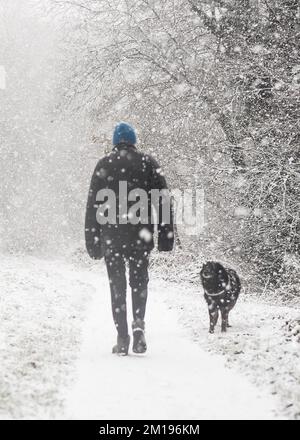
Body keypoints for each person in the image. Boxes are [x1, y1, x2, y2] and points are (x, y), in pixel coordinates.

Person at [85, 123, 174, 356]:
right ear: (133, 141)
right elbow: (163, 201)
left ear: (115, 142)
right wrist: (166, 235)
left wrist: (92, 240)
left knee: (117, 287)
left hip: (112, 237)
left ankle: (122, 337)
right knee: (139, 283)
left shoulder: (104, 164)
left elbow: (92, 206)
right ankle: (138, 326)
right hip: (139, 236)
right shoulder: (148, 163)